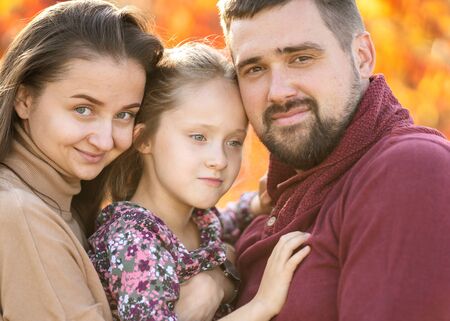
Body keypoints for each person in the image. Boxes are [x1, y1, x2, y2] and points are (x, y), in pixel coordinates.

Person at [216, 0, 450, 320]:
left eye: (301, 58)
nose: (278, 92)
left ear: (362, 56)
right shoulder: (262, 210)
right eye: (255, 68)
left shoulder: (409, 169)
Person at [88, 42, 311, 321]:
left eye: (233, 141)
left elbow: (222, 223)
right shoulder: (134, 240)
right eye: (198, 137)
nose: (219, 159)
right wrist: (261, 306)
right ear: (144, 140)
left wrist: (254, 206)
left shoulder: (196, 217)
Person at [0, 0, 163, 320]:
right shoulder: (19, 214)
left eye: (124, 114)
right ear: (24, 99)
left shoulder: (60, 202)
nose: (105, 139)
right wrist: (206, 295)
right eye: (83, 109)